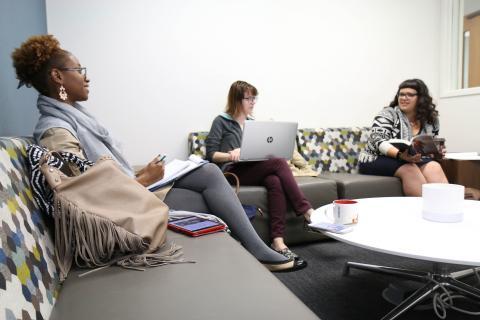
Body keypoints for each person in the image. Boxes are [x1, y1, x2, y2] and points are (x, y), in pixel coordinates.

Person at [11, 35, 303, 272]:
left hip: (131, 192)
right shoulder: (55, 130)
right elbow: (82, 200)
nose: (86, 78)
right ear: (57, 76)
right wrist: (140, 182)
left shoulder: (74, 117)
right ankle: (258, 251)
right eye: (79, 71)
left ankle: (256, 250)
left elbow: (95, 176)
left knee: (207, 172)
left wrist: (139, 176)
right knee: (207, 191)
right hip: (122, 210)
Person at [206, 80, 313, 266]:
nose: (253, 102)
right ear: (236, 99)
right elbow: (211, 154)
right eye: (248, 98)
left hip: (250, 168)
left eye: (254, 98)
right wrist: (231, 155)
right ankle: (306, 210)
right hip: (230, 172)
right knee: (279, 163)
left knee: (274, 181)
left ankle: (278, 242)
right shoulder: (221, 121)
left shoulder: (253, 123)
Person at [358, 79, 448, 196]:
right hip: (376, 158)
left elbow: (429, 144)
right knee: (409, 169)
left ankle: (446, 207)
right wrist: (400, 155)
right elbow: (377, 141)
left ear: (421, 98)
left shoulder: (431, 120)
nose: (404, 98)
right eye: (401, 94)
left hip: (410, 159)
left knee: (434, 167)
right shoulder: (388, 114)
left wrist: (436, 151)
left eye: (410, 95)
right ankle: (423, 210)